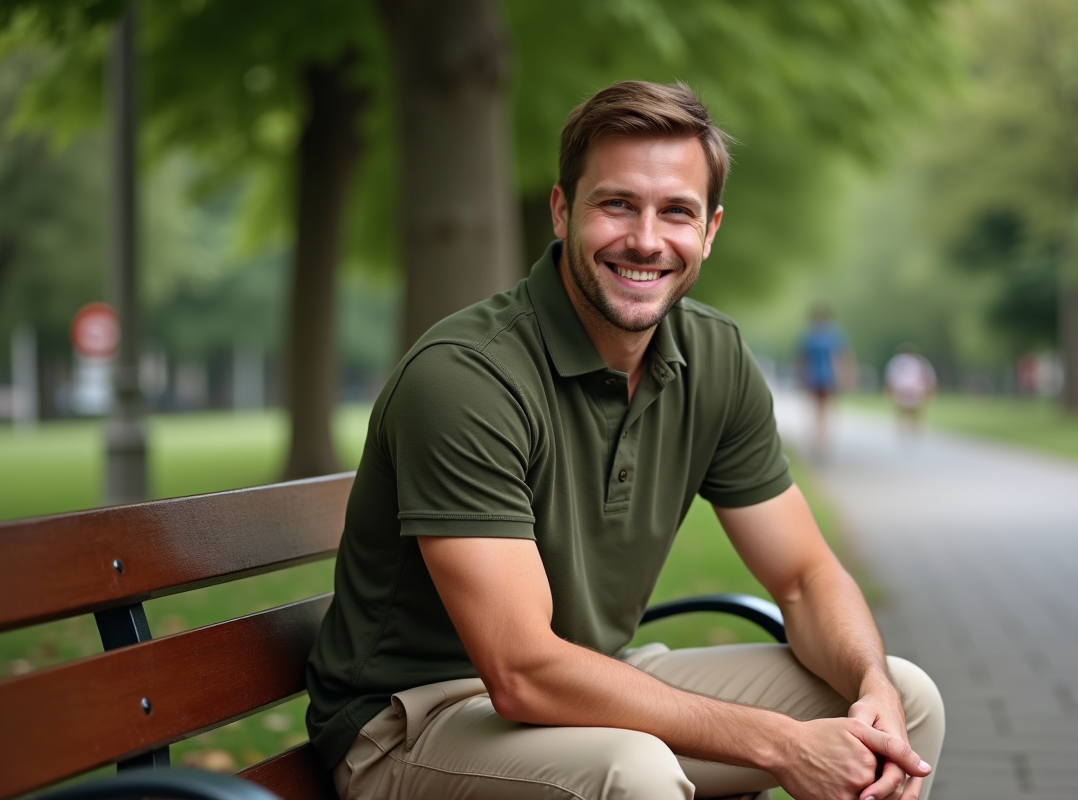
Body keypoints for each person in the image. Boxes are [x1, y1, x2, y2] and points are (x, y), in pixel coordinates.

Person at [306, 80, 944, 800]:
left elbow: (804, 579)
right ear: (561, 211)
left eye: (676, 211)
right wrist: (780, 744)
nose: (646, 239)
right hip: (416, 722)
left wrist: (870, 684)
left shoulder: (714, 359)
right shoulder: (467, 378)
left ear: (710, 230)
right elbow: (520, 671)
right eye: (617, 204)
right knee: (630, 773)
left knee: (905, 704)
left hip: (594, 684)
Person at [796, 305, 853, 460]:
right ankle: (822, 442)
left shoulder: (809, 336)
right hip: (826, 377)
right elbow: (842, 358)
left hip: (815, 377)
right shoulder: (833, 335)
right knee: (824, 410)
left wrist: (800, 377)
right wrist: (846, 377)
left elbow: (801, 360)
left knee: (818, 411)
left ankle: (819, 441)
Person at [884, 344, 938, 436]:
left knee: (904, 412)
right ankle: (914, 431)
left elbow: (890, 378)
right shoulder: (921, 362)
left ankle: (905, 432)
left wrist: (889, 392)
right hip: (916, 390)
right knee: (914, 413)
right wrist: (930, 393)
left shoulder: (896, 361)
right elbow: (929, 378)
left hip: (902, 390)